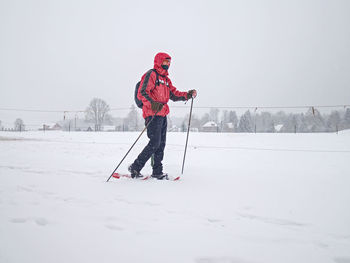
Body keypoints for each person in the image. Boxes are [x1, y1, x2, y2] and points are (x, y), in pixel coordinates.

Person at [128, 52, 197, 179]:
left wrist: (187, 95)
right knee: (154, 143)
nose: (167, 65)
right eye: (165, 62)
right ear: (159, 61)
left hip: (163, 113)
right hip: (152, 114)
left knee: (161, 144)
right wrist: (153, 105)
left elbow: (174, 94)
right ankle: (135, 167)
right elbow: (142, 93)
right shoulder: (151, 74)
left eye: (169, 62)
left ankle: (157, 171)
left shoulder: (166, 80)